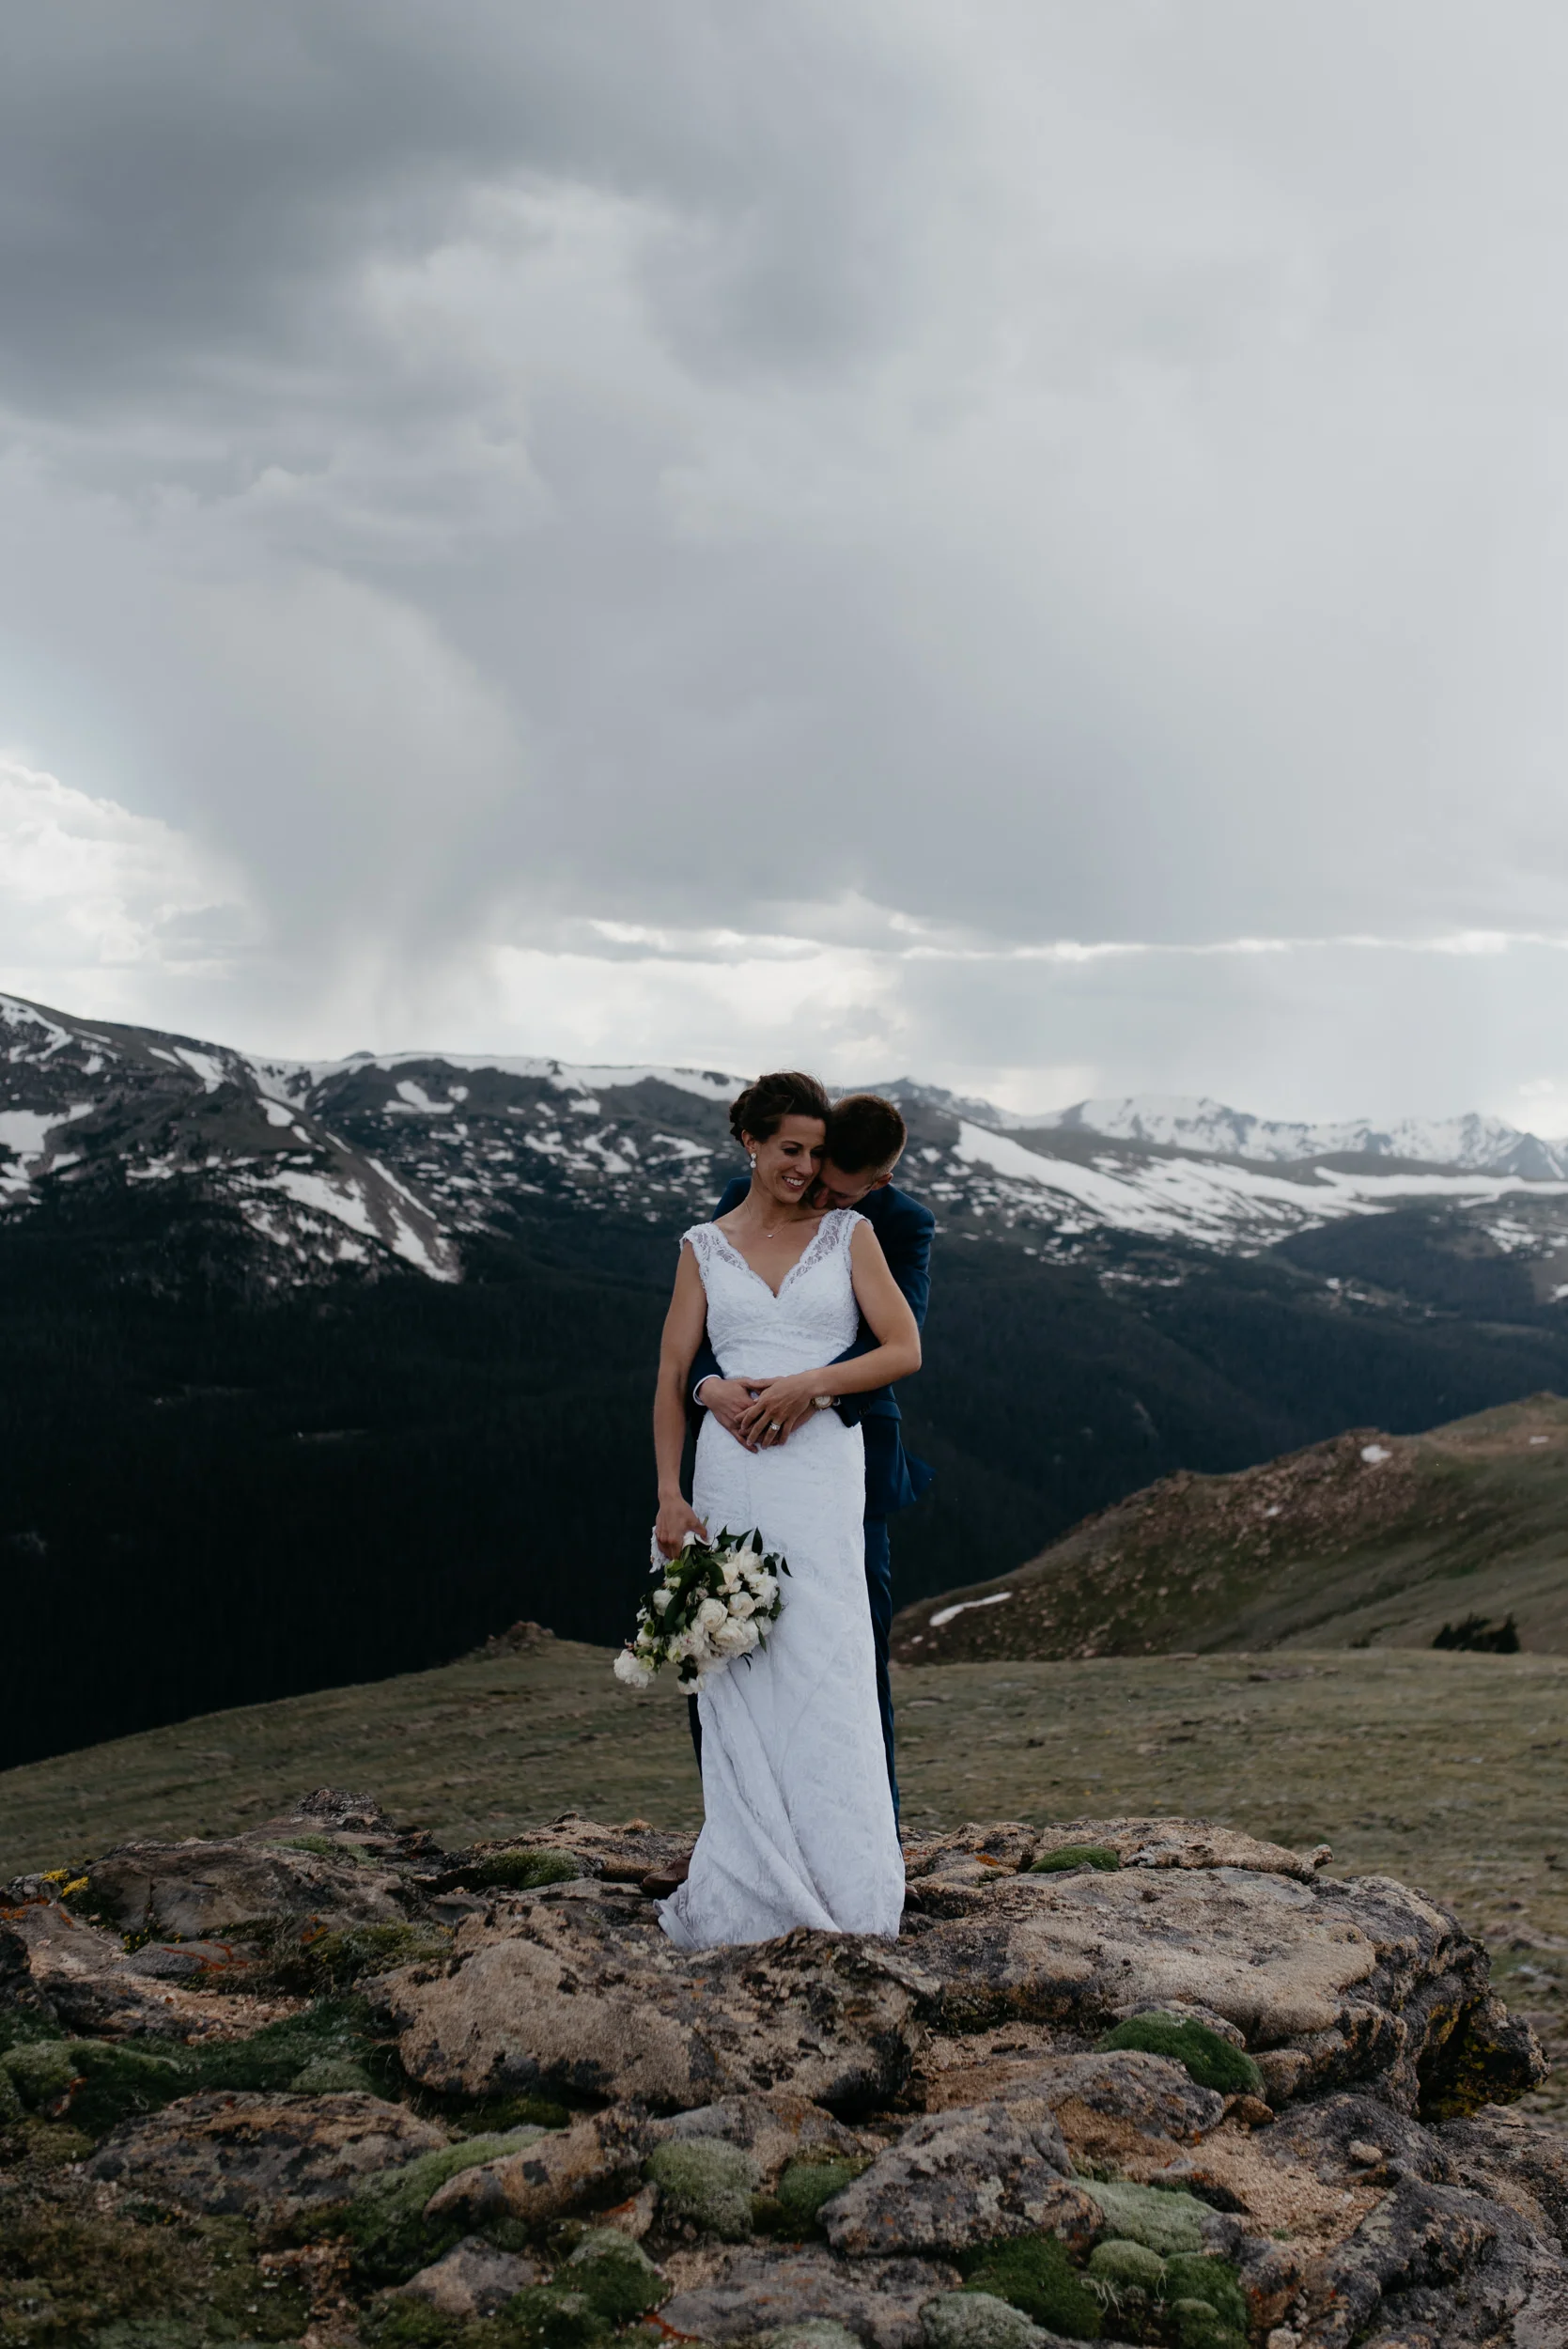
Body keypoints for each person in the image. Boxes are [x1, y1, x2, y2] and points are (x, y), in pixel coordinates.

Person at [652, 1071, 921, 1949]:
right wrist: (678, 1472)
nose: (806, 1170)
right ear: (754, 1146)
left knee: (829, 1652)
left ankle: (846, 1870)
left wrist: (811, 1385)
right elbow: (674, 1371)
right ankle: (747, 1859)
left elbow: (901, 1346)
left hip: (824, 1460)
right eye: (793, 1151)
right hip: (731, 1467)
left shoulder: (863, 1230)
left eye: (819, 1156)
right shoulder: (708, 1238)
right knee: (736, 1656)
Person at [688, 1092, 934, 1815]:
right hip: (738, 1448)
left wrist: (812, 1392)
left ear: (876, 1186)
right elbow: (709, 1317)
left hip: (844, 1454)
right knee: (718, 1628)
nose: (813, 1192)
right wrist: (708, 1386)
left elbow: (896, 1337)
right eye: (813, 1169)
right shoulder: (748, 1197)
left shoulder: (900, 1224)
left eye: (836, 1189)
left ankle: (868, 1837)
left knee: (846, 1648)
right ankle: (728, 1833)